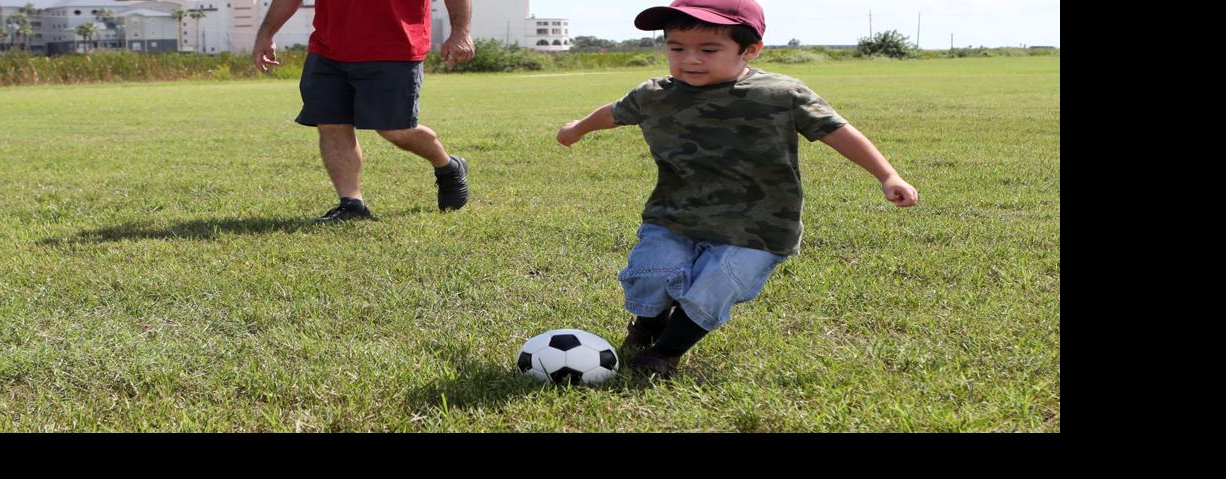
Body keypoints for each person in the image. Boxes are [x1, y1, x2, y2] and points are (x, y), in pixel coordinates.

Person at [556, 0, 918, 378]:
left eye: (708, 50)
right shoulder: (654, 94)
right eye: (677, 48)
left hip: (760, 224)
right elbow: (615, 112)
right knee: (652, 274)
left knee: (716, 284)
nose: (690, 59)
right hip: (675, 214)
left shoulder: (780, 94)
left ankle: (665, 352)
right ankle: (650, 323)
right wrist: (578, 128)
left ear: (750, 49)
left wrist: (888, 176)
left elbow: (837, 131)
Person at [254, 0, 476, 220]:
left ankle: (448, 166)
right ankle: (352, 205)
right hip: (328, 48)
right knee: (331, 124)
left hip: (395, 47)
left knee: (396, 130)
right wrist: (266, 34)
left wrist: (461, 32)